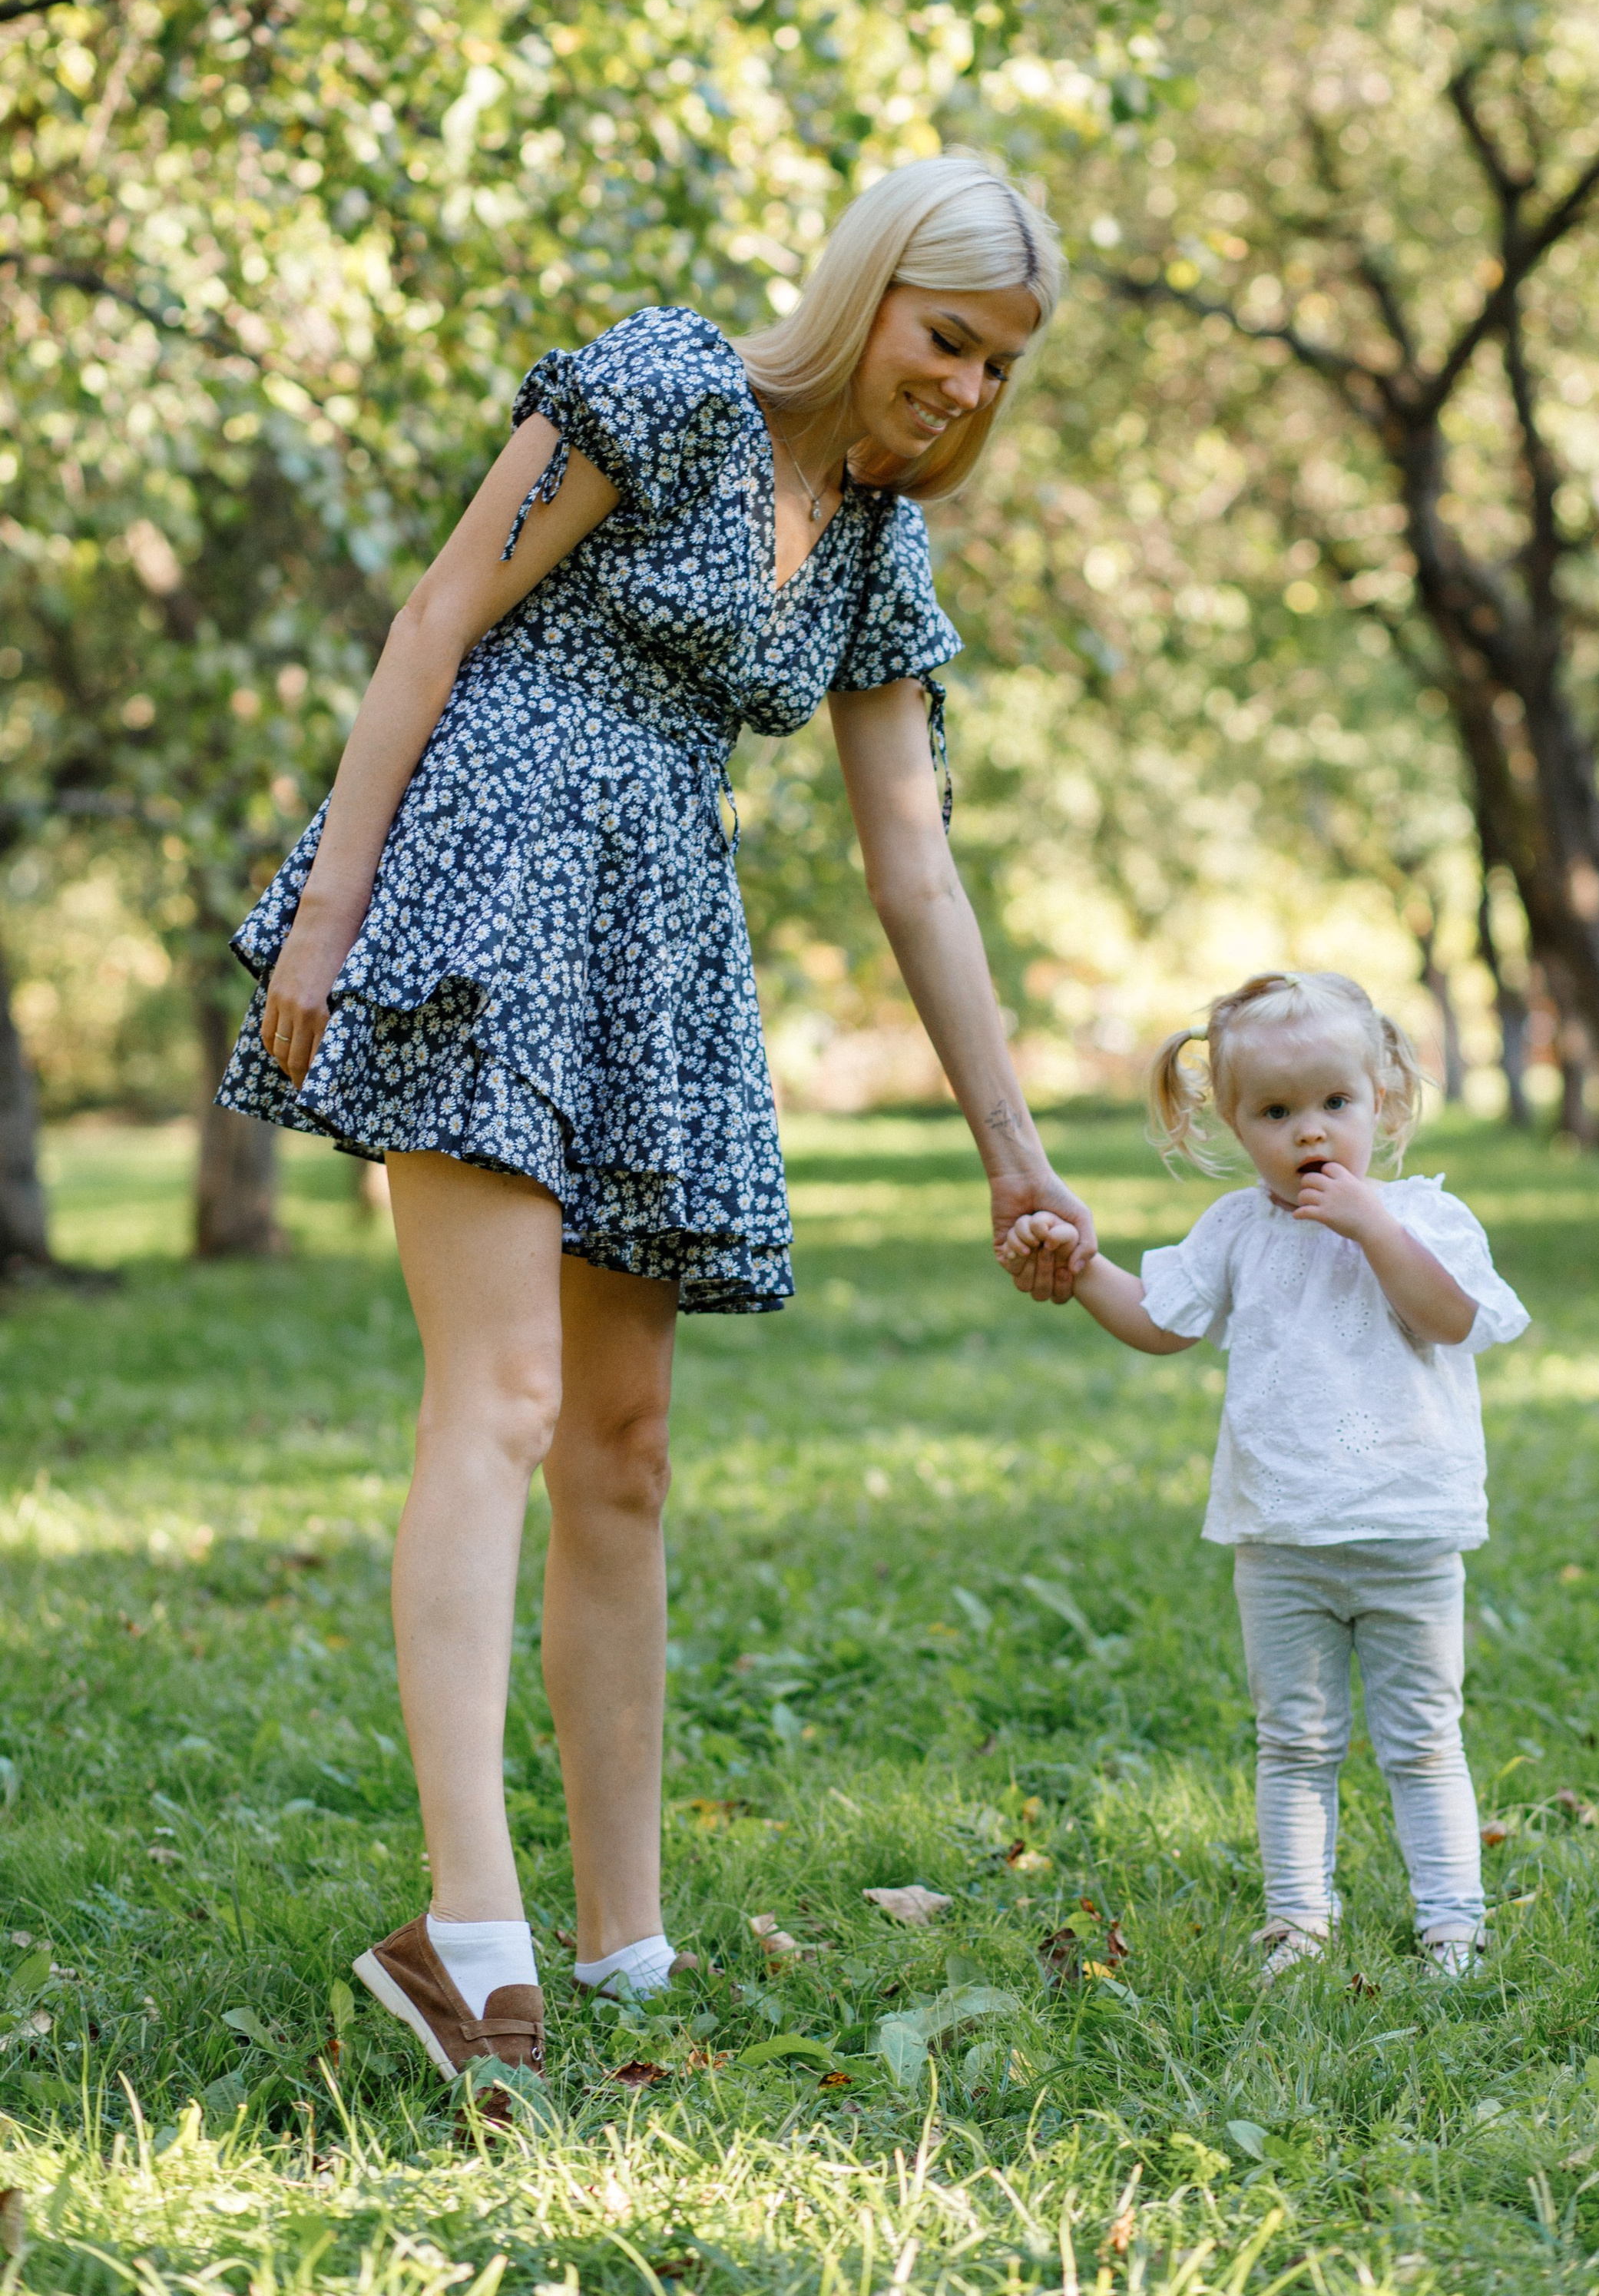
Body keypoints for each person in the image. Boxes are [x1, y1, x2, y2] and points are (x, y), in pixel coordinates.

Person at [216, 151, 1097, 2084]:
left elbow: (915, 868)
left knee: (618, 1451)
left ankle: (621, 1958)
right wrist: (341, 899)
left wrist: (1011, 1148)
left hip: (654, 942)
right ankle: (466, 1934)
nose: (960, 389)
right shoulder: (669, 385)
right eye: (945, 340)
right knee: (505, 1400)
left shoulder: (871, 552)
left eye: (998, 370)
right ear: (868, 293)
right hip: (487, 878)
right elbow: (441, 611)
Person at [1001, 969, 1528, 1984]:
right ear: (1234, 1126)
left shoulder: (1427, 1219)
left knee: (1422, 1737)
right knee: (1294, 1739)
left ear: (1387, 1099)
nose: (1312, 1133)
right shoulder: (1238, 1230)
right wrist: (1081, 1268)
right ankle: (1298, 1921)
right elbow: (1161, 1322)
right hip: (1280, 1537)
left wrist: (1373, 1225)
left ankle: (1452, 1925)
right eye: (1278, 1112)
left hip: (1408, 1535)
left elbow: (1451, 1318)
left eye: (1337, 1103)